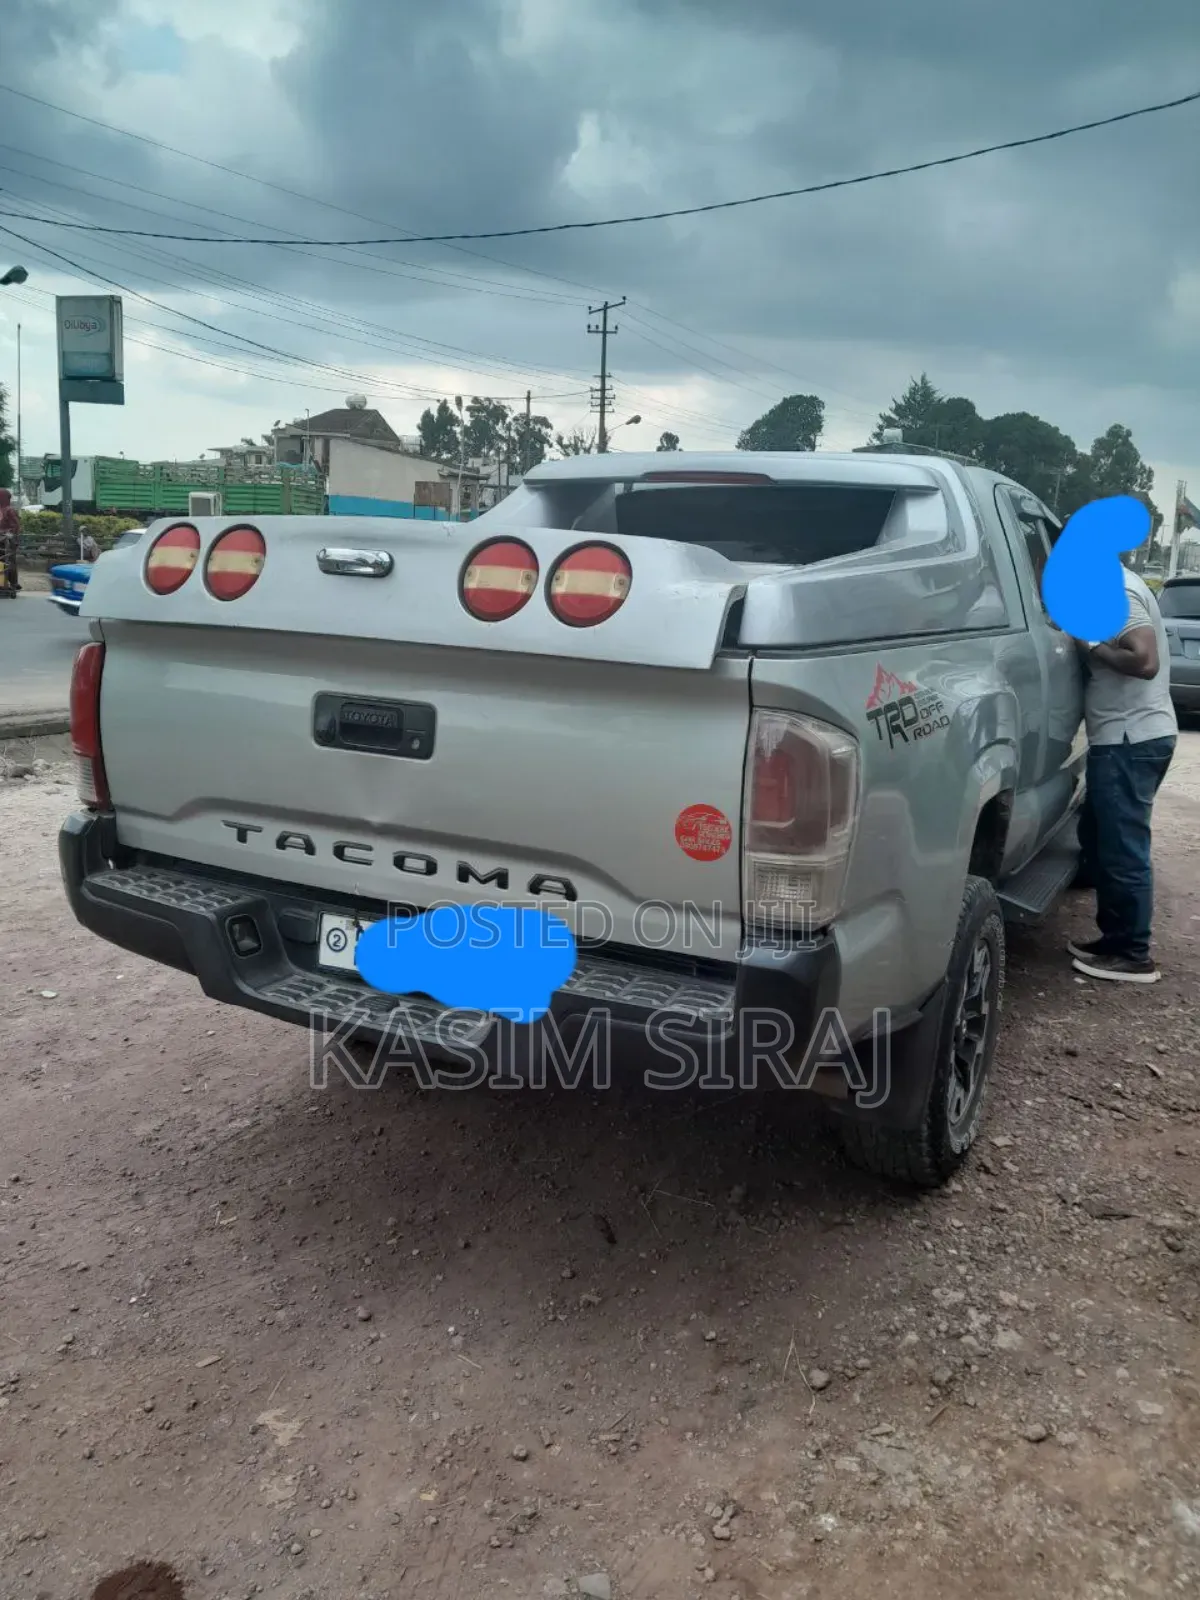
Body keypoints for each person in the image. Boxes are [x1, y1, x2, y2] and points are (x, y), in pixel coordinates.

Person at [1069, 565, 1177, 983]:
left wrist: (1090, 647)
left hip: (1130, 741)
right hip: (1128, 738)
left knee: (1123, 849)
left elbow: (1144, 660)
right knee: (1102, 839)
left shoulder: (1115, 590)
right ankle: (1115, 940)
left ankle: (1133, 953)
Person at [0, 488, 20, 596]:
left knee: (9, 562)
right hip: (1, 541)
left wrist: (7, 533)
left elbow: (15, 526)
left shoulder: (9, 510)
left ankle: (13, 584)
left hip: (8, 542)